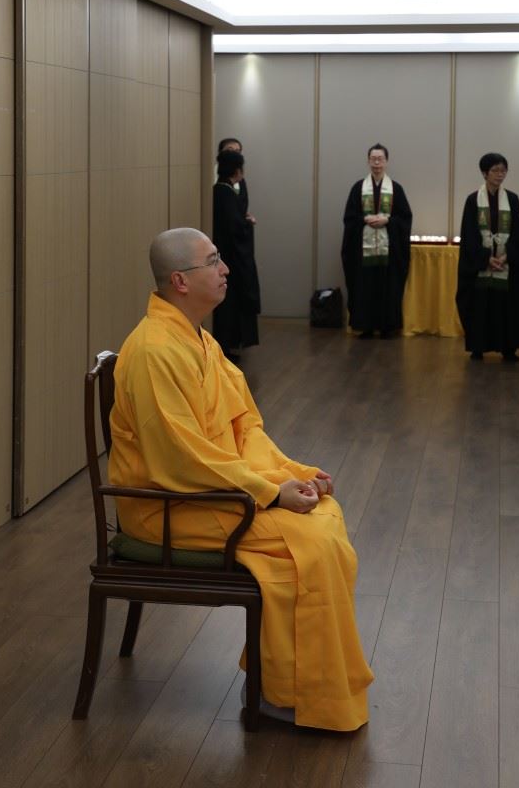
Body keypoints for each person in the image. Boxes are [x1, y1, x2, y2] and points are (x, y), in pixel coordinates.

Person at [108, 228, 373, 730]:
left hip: (211, 491)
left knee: (324, 517)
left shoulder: (199, 339)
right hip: (166, 505)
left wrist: (290, 474)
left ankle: (306, 686)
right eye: (213, 261)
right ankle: (287, 693)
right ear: (181, 281)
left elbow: (243, 427)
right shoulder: (154, 351)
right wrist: (270, 493)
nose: (226, 268)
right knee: (309, 542)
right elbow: (182, 459)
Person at [455, 152, 519, 362]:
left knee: (507, 307)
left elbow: (518, 232)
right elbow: (469, 234)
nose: (500, 174)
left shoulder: (512, 199)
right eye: (495, 170)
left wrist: (506, 256)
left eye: (503, 170)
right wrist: (486, 259)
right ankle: (478, 347)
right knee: (480, 307)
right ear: (484, 173)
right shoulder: (473, 200)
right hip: (482, 266)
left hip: (506, 264)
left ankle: (509, 348)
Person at [341, 143, 412, 337]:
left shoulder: (396, 189)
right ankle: (366, 326)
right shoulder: (358, 188)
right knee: (365, 288)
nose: (377, 163)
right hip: (363, 252)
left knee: (388, 287)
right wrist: (364, 220)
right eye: (373, 159)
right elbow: (349, 218)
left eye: (380, 159)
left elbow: (405, 218)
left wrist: (388, 221)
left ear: (386, 162)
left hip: (389, 252)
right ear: (368, 161)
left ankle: (387, 327)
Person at [213, 149, 261, 360]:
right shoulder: (226, 193)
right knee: (228, 305)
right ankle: (225, 347)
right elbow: (236, 229)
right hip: (230, 260)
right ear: (237, 171)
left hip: (223, 256)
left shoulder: (219, 191)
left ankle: (226, 345)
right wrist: (248, 224)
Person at [217, 137, 255, 224]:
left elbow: (243, 204)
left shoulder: (241, 180)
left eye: (237, 151)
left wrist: (245, 219)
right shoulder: (210, 176)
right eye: (230, 150)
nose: (234, 153)